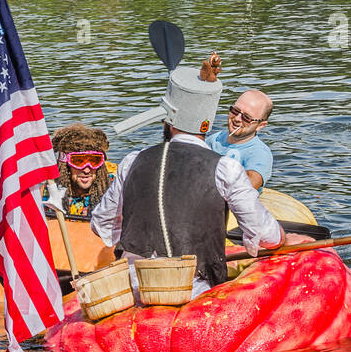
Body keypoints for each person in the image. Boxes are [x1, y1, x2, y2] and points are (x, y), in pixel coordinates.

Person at [90, 55, 310, 298]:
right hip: (195, 290)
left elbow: (101, 225)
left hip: (136, 288)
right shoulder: (225, 168)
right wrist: (284, 237)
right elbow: (266, 236)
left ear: (167, 120)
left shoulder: (131, 161)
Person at [205, 90, 274, 190]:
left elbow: (248, 187)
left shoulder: (260, 154)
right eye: (235, 111)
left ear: (260, 125)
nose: (237, 118)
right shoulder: (215, 139)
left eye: (246, 118)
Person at [50, 123, 117, 218]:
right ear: (66, 165)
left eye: (94, 161)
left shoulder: (115, 189)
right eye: (78, 161)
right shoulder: (49, 191)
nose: (86, 170)